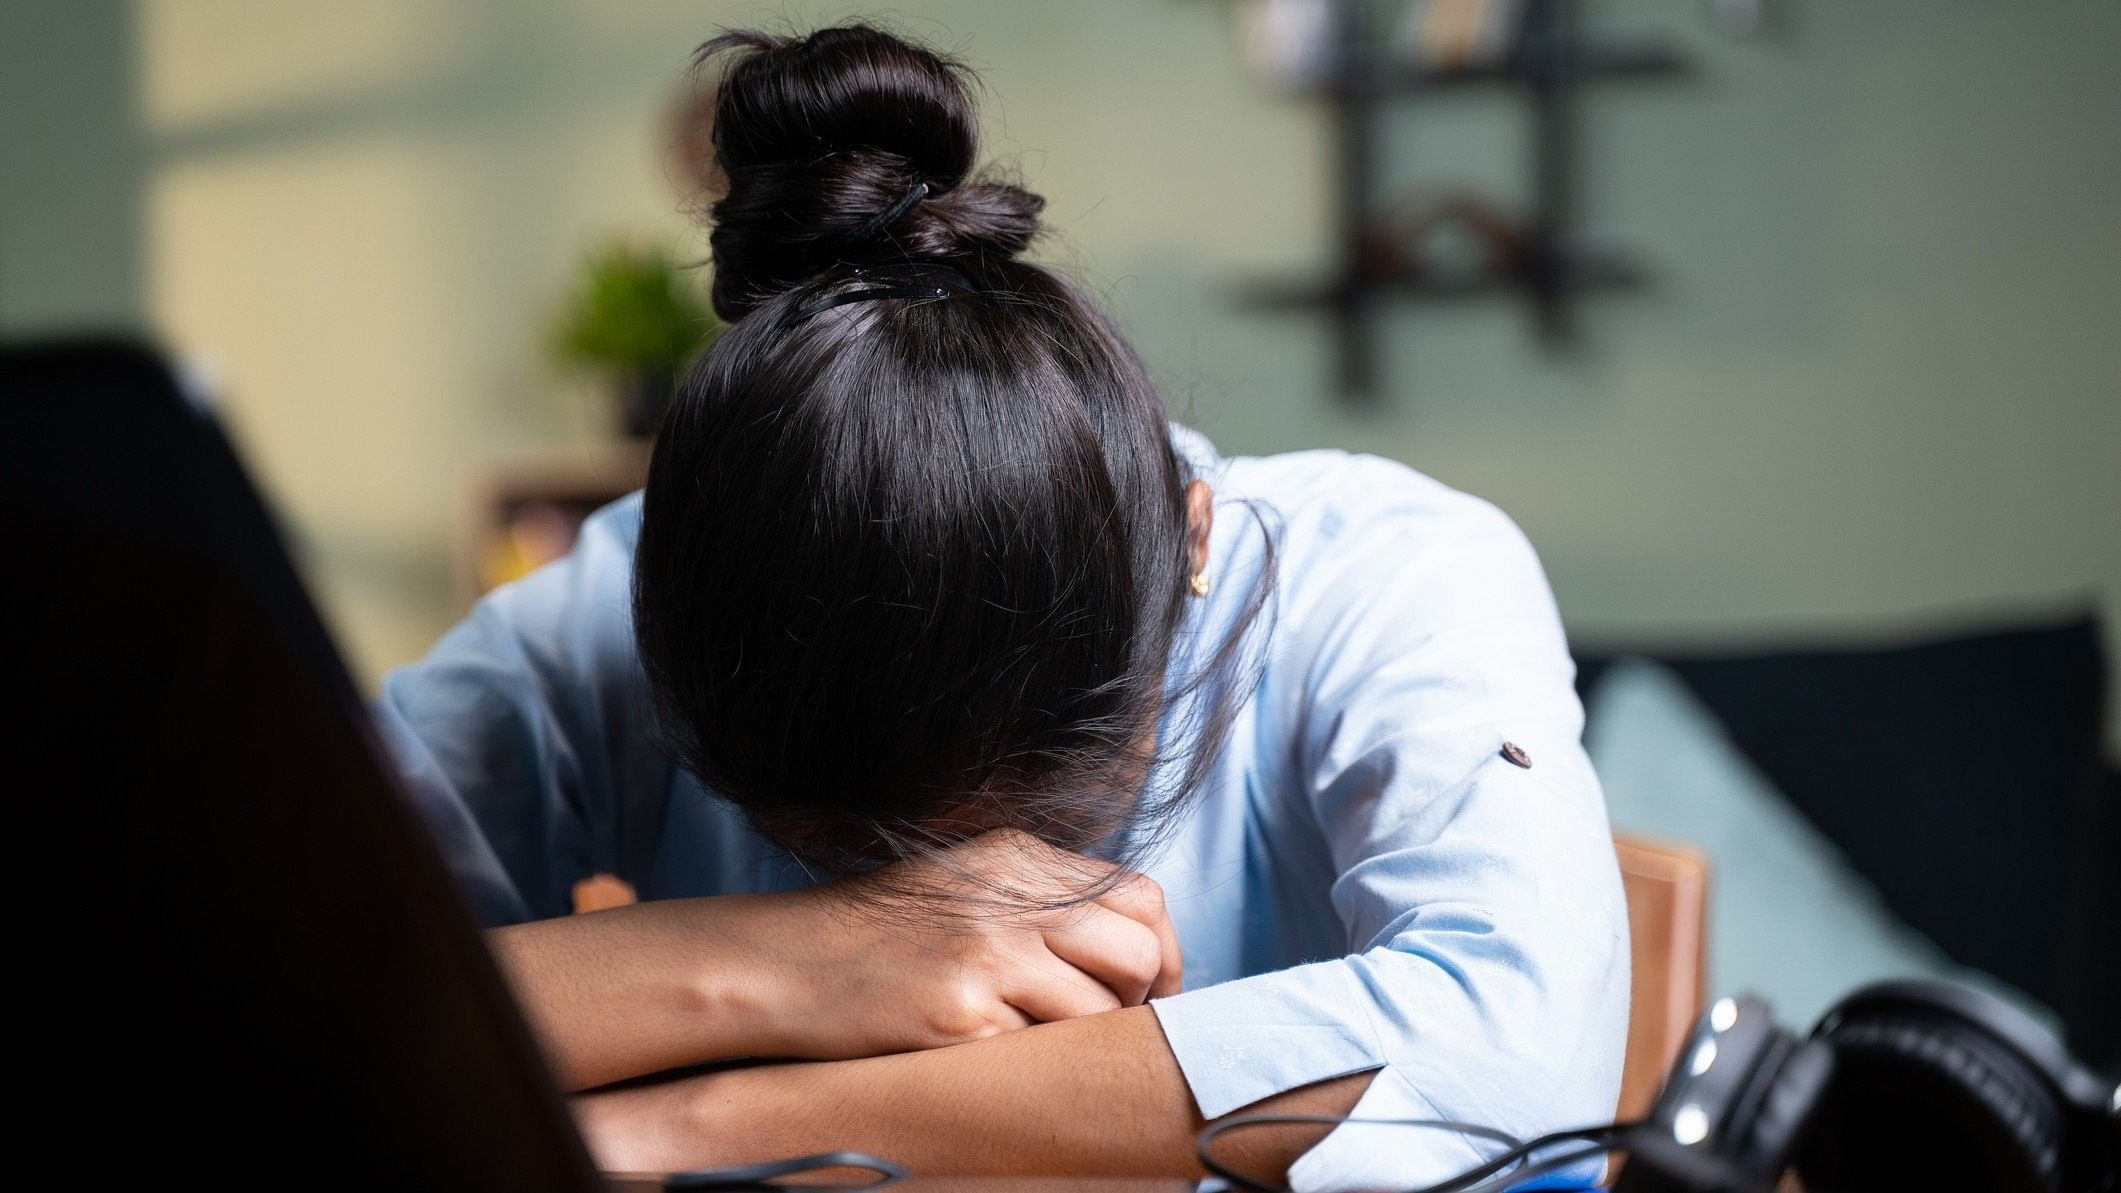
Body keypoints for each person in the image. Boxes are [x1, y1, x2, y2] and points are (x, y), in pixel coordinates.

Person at [377, 23, 1629, 1190]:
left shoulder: (1388, 572)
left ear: (1191, 551)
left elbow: (1517, 1044)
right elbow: (229, 999)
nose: (946, 899)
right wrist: (788, 955)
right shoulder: (623, 599)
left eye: (1034, 820)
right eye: (827, 844)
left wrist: (707, 1120)